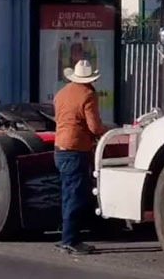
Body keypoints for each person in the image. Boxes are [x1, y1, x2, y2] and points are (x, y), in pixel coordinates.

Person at [53, 59, 108, 255]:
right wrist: (107, 130)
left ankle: (67, 236)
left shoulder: (62, 93)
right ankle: (71, 240)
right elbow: (93, 126)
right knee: (75, 196)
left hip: (60, 148)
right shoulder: (87, 94)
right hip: (76, 150)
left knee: (68, 194)